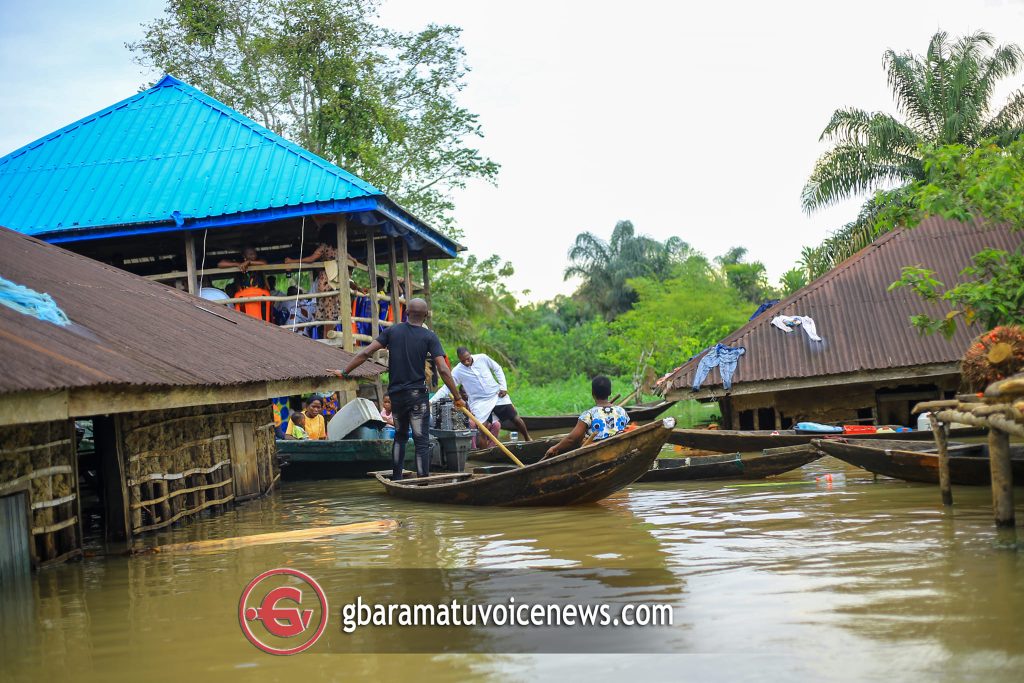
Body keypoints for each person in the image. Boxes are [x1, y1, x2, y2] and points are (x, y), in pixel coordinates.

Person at [334, 298, 463, 480]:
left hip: (397, 396)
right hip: (417, 396)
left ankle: (397, 478)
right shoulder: (429, 336)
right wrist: (457, 396)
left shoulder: (392, 331)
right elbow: (443, 369)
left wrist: (344, 371)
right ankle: (423, 481)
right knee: (421, 440)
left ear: (406, 313)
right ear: (425, 316)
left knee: (400, 437)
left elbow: (365, 353)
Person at [450, 346, 532, 441]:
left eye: (467, 359)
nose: (466, 362)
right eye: (462, 361)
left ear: (470, 354)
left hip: (496, 395)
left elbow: (497, 369)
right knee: (482, 429)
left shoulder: (482, 358)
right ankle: (485, 452)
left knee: (515, 418)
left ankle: (527, 438)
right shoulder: (457, 370)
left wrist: (503, 387)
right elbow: (448, 386)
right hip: (481, 402)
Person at [544, 376, 630, 459]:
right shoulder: (622, 411)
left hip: (597, 456)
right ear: (610, 392)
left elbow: (572, 439)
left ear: (593, 393)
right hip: (620, 451)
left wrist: (554, 448)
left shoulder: (588, 415)